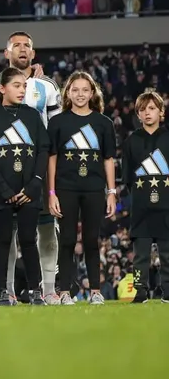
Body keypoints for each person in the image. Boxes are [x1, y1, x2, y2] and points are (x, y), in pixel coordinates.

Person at [0, 31, 61, 304]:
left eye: (24, 86)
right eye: (16, 86)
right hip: (1, 190)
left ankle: (37, 291)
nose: (22, 90)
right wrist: (2, 187)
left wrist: (35, 182)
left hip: (29, 189)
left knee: (28, 239)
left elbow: (42, 149)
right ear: (1, 88)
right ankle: (2, 291)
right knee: (1, 240)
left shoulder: (33, 116)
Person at [47, 71, 117, 305]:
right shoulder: (57, 122)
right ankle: (65, 292)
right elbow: (52, 159)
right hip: (65, 189)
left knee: (91, 240)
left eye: (85, 90)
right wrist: (51, 192)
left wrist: (112, 192)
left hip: (94, 189)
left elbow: (108, 159)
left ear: (92, 92)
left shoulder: (103, 123)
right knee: (66, 240)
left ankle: (96, 291)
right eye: (75, 89)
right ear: (67, 92)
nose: (80, 94)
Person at [121, 89, 169, 304]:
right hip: (141, 207)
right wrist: (140, 197)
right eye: (142, 109)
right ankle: (140, 291)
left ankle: (167, 290)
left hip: (167, 205)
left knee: (168, 252)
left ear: (161, 112)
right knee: (140, 254)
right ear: (137, 115)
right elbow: (128, 176)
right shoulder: (131, 141)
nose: (147, 113)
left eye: (151, 108)